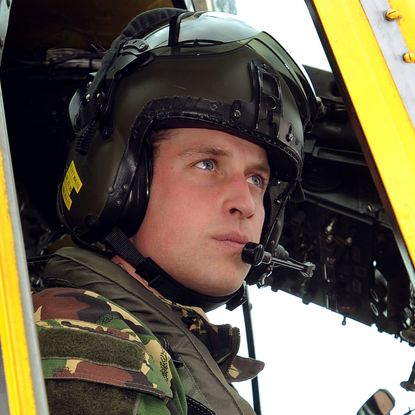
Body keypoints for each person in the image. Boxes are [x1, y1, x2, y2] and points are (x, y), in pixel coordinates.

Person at [32, 7, 317, 415]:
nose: (247, 203)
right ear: (120, 181)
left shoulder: (165, 351)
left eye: (257, 179)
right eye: (207, 164)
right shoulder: (97, 355)